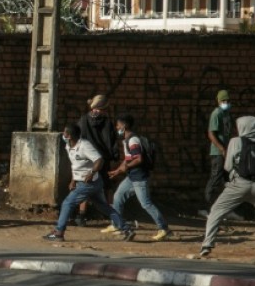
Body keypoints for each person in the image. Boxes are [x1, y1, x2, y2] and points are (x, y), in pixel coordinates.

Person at [199, 116, 255, 259]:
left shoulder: (235, 141)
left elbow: (227, 166)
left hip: (238, 184)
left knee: (216, 211)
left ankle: (206, 245)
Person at [43, 123, 135, 242]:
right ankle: (127, 229)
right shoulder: (68, 146)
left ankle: (59, 232)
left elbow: (99, 160)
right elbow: (75, 165)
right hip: (88, 182)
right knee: (104, 207)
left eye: (65, 133)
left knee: (67, 203)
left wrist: (91, 172)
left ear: (70, 136)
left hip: (88, 183)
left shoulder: (84, 145)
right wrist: (73, 180)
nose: (63, 135)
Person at [105, 114, 172, 241]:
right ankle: (117, 224)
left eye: (118, 125)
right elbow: (127, 159)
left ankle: (164, 229)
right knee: (118, 196)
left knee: (146, 204)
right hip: (131, 177)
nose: (117, 127)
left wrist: (127, 167)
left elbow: (138, 159)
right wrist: (118, 171)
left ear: (124, 126)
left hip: (139, 178)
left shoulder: (132, 140)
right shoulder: (127, 139)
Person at [75, 94, 120, 226]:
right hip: (103, 160)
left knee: (85, 186)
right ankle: (113, 215)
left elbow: (79, 139)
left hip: (87, 160)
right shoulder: (107, 123)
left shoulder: (83, 120)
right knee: (107, 187)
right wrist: (115, 158)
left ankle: (81, 215)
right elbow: (112, 143)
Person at [205, 89, 234, 207]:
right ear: (218, 101)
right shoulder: (216, 114)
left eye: (227, 100)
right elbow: (211, 134)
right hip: (218, 152)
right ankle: (208, 207)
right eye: (223, 100)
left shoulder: (227, 114)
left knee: (228, 181)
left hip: (227, 152)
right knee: (215, 179)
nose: (226, 103)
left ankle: (226, 207)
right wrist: (221, 148)